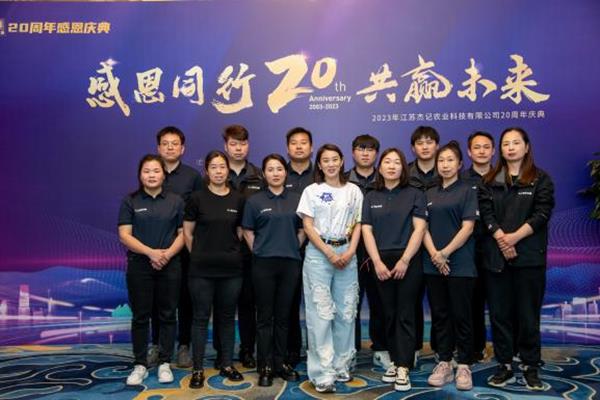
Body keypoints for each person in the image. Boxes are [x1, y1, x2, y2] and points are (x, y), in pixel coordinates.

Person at [479, 127, 554, 391]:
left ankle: (530, 365)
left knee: (528, 315)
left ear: (526, 147)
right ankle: (505, 364)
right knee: (500, 315)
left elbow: (542, 213)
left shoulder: (540, 179)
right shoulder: (490, 180)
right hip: (497, 258)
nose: (510, 148)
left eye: (516, 143)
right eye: (506, 144)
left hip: (529, 258)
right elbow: (486, 214)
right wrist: (502, 239)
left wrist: (514, 238)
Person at [297, 144, 363, 394]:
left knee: (347, 311)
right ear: (320, 164)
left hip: (347, 253)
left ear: (342, 161)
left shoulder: (354, 190)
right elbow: (308, 226)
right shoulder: (312, 191)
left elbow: (359, 223)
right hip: (319, 255)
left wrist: (350, 251)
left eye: (335, 159)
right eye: (326, 160)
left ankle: (341, 365)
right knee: (321, 314)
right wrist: (328, 253)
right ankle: (322, 373)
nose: (331, 164)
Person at [361, 148, 427, 392]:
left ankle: (403, 366)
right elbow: (366, 230)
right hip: (380, 261)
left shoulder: (415, 194)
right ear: (380, 167)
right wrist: (377, 262)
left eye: (396, 162)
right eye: (387, 162)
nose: (391, 166)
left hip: (408, 261)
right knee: (387, 313)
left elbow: (419, 229)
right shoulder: (371, 196)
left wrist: (405, 260)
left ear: (403, 167)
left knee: (405, 313)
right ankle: (394, 360)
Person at [118, 154, 184, 386]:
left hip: (170, 264)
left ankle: (165, 362)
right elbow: (124, 235)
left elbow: (183, 234)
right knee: (140, 316)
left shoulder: (176, 201)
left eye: (156, 171)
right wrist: (151, 253)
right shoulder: (131, 201)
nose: (152, 175)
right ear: (140, 175)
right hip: (140, 266)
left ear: (163, 175)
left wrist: (166, 255)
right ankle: (140, 364)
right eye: (146, 171)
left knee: (168, 314)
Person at [183, 151, 245, 389]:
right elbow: (188, 232)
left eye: (222, 167)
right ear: (206, 171)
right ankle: (198, 368)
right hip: (201, 271)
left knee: (227, 318)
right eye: (214, 167)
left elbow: (239, 232)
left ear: (228, 170)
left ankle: (227, 363)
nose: (218, 171)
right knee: (200, 318)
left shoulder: (238, 199)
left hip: (231, 270)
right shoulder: (196, 198)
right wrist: (199, 255)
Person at [242, 154, 305, 386]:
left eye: (279, 169)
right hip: (263, 264)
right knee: (264, 317)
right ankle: (265, 365)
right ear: (264, 174)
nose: (275, 173)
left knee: (283, 316)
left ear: (285, 173)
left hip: (290, 263)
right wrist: (259, 250)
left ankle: (281, 362)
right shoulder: (255, 201)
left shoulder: (297, 199)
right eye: (270, 169)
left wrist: (293, 246)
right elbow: (247, 230)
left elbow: (303, 229)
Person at [423, 141, 478, 391]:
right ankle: (444, 362)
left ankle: (464, 365)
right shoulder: (428, 193)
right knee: (440, 316)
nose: (445, 165)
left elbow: (468, 227)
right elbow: (422, 228)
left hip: (460, 263)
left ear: (459, 164)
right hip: (432, 263)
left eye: (450, 160)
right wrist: (435, 255)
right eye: (441, 161)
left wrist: (445, 253)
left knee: (462, 316)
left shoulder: (467, 191)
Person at [148, 126, 203, 369]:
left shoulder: (192, 177)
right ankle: (157, 345)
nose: (170, 148)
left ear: (183, 148)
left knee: (185, 299)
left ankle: (184, 346)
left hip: (184, 248)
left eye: (175, 144)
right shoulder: (151, 173)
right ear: (158, 147)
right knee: (157, 300)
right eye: (165, 143)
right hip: (156, 249)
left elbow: (200, 211)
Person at [345, 134, 389, 368]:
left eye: (370, 149)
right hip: (348, 252)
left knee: (379, 302)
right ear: (353, 152)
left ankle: (380, 348)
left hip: (378, 252)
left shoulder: (385, 180)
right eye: (361, 149)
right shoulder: (342, 180)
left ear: (376, 154)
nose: (365, 153)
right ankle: (349, 350)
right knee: (348, 303)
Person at [221, 124, 263, 369]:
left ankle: (247, 349)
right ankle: (222, 352)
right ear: (226, 146)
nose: (238, 148)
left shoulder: (259, 176)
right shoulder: (215, 173)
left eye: (243, 144)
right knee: (222, 305)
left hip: (250, 251)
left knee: (248, 304)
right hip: (221, 251)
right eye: (234, 144)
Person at [407, 126, 441, 362]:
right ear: (413, 148)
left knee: (441, 303)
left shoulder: (447, 169)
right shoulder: (405, 174)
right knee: (411, 301)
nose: (425, 146)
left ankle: (441, 349)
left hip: (443, 246)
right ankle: (413, 347)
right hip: (412, 247)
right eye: (420, 142)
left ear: (437, 145)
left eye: (429, 142)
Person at [461, 131, 495, 362]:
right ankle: (474, 348)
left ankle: (507, 351)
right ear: (469, 152)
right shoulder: (461, 180)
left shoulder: (503, 177)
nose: (481, 151)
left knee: (499, 302)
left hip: (497, 248)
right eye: (477, 147)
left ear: (493, 151)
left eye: (486, 147)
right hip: (468, 249)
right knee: (471, 302)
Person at [283, 126, 315, 367]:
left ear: (311, 147)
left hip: (319, 248)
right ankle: (291, 349)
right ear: (288, 148)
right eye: (294, 142)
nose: (299, 146)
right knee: (289, 302)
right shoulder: (279, 173)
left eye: (303, 142)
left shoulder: (321, 174)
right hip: (288, 248)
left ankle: (318, 349)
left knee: (319, 303)